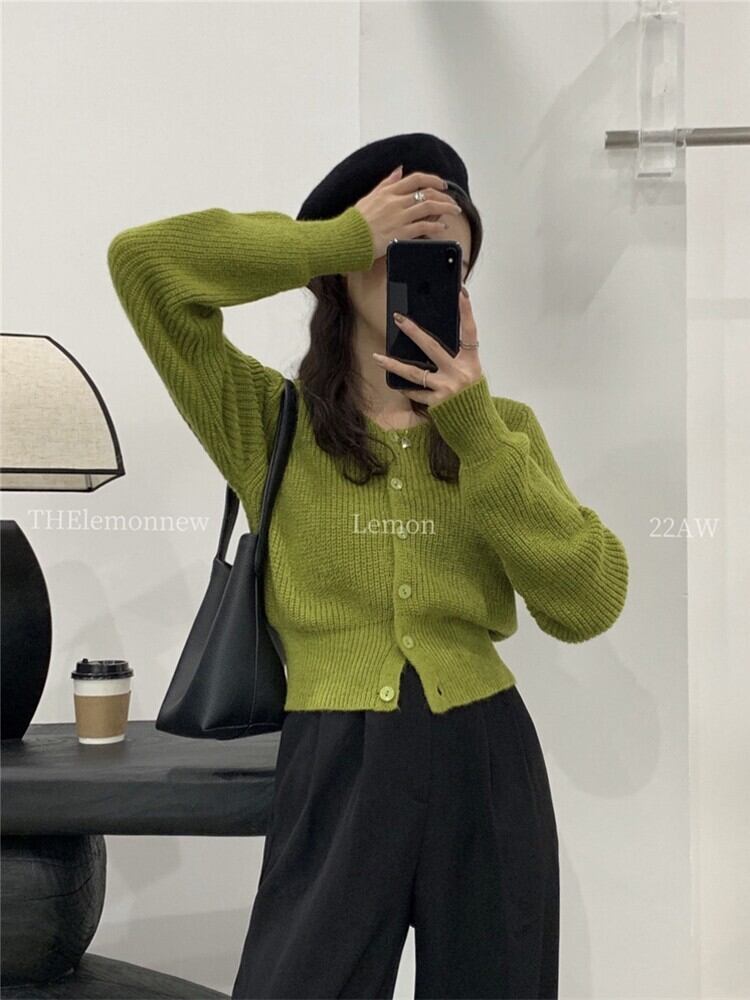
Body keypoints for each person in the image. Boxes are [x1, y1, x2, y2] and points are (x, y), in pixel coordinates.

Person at [107, 133, 629, 999]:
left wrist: (474, 428)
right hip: (335, 758)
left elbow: (588, 603)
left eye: (445, 252)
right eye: (400, 238)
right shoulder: (265, 420)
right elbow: (144, 266)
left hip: (484, 753)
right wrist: (341, 235)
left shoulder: (503, 432)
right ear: (342, 273)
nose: (422, 263)